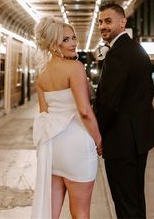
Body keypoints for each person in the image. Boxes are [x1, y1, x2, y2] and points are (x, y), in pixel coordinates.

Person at [31, 16, 102, 219]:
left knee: (51, 212)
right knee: (80, 212)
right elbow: (85, 111)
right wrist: (99, 141)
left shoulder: (42, 73)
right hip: (77, 144)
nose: (73, 43)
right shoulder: (75, 68)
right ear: (54, 45)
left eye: (73, 38)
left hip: (53, 147)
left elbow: (44, 114)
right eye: (66, 40)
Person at [95, 3, 154, 219]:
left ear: (122, 22)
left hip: (122, 141)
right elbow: (147, 91)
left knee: (125, 204)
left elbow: (108, 103)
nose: (103, 26)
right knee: (135, 198)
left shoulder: (118, 54)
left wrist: (98, 135)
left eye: (108, 21)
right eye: (100, 22)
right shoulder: (136, 49)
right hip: (139, 137)